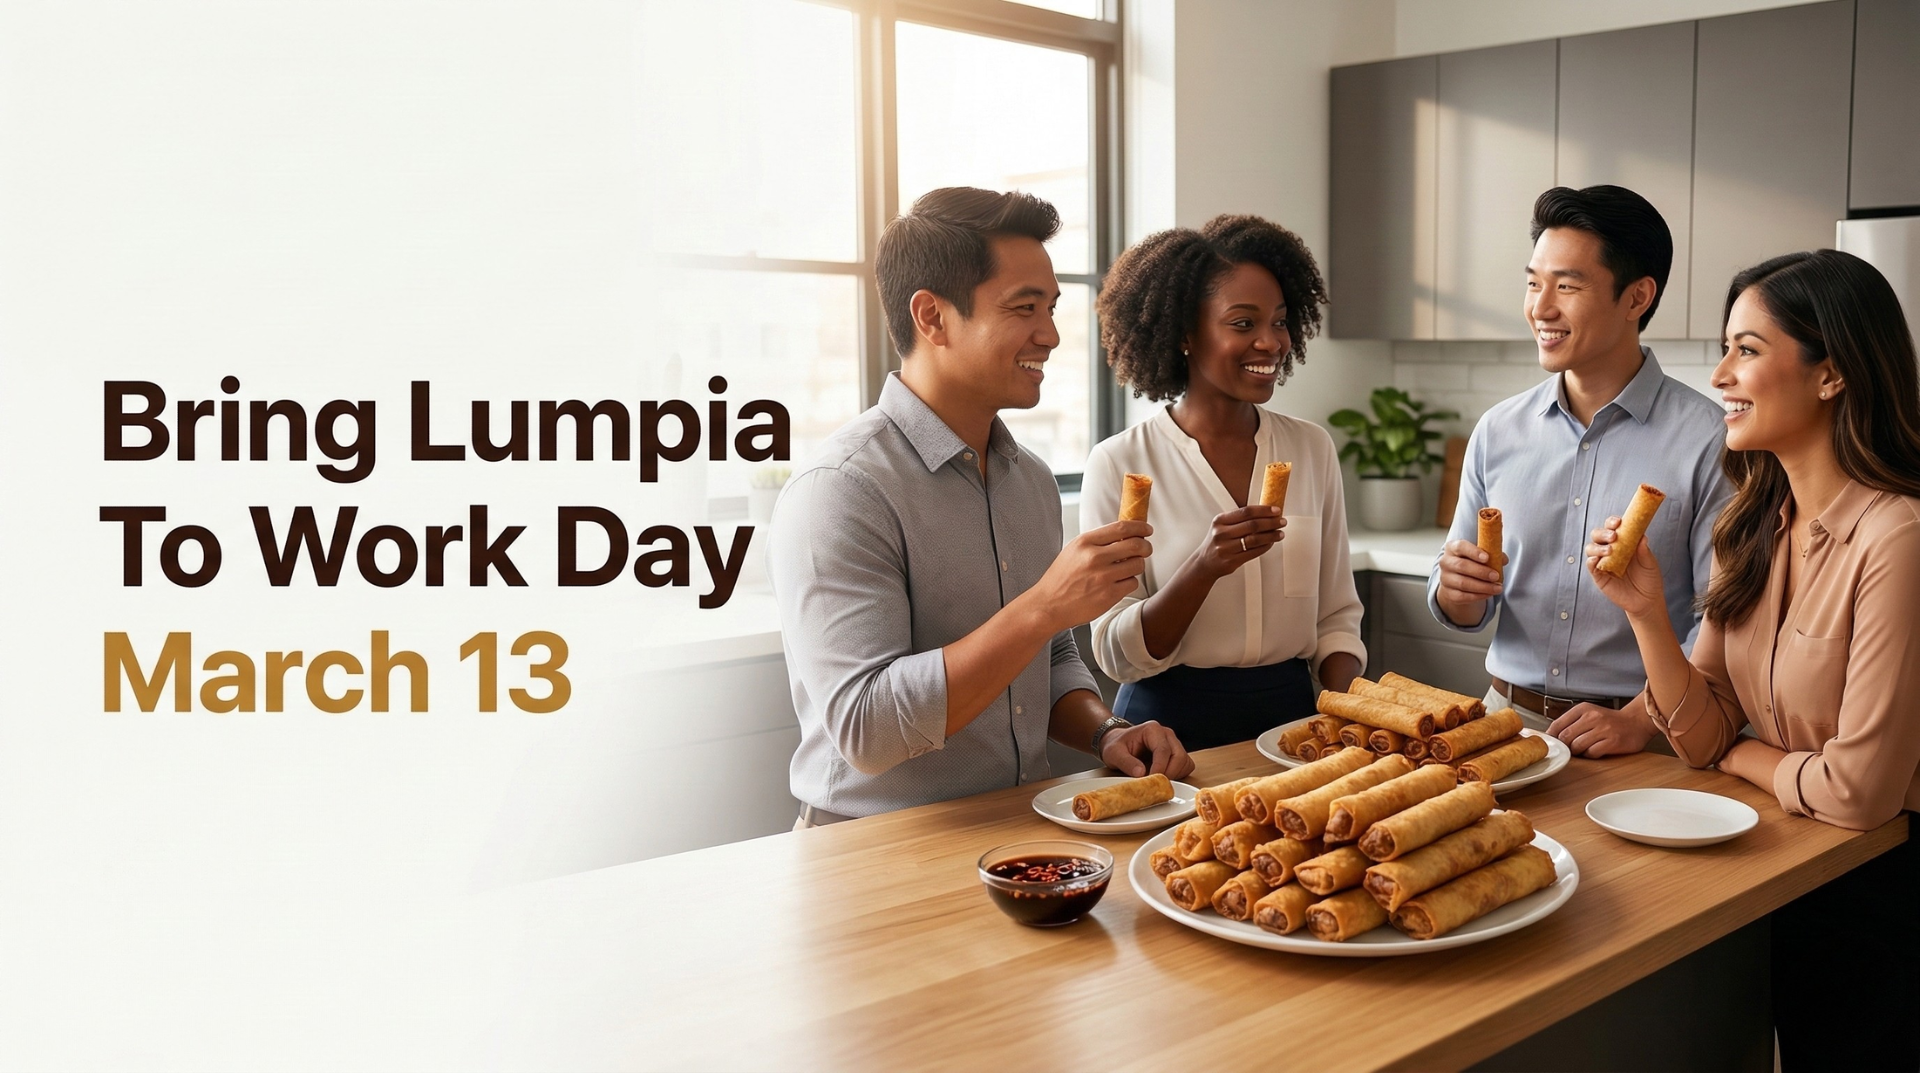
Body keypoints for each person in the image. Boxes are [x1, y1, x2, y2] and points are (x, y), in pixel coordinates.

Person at [1584, 249, 1920, 1070]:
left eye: (1747, 349)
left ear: (1831, 375)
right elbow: (1696, 732)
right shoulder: (1756, 524)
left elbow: (1859, 791)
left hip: (1891, 895)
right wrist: (1645, 618)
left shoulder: (1899, 539)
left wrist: (1738, 752)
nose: (1722, 372)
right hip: (1790, 874)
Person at [771, 187, 1193, 827]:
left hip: (1014, 830)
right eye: (1024, 308)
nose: (1050, 334)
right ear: (932, 317)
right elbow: (867, 728)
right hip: (869, 853)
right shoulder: (841, 489)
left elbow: (1049, 659)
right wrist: (1045, 605)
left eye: (1051, 308)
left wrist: (1106, 731)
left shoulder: (1031, 482)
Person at [1427, 185, 1730, 753]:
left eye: (1566, 286)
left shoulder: (1711, 440)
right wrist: (1456, 592)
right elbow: (1465, 603)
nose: (1541, 308)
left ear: (1637, 296)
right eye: (1533, 283)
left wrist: (1643, 720)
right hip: (1504, 724)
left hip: (1644, 736)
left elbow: (1724, 624)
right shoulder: (1497, 430)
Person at [1079, 216, 1364, 751]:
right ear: (1185, 335)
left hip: (1293, 724)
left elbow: (1335, 617)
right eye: (1242, 323)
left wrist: (1363, 712)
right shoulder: (1120, 463)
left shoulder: (1310, 449)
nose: (1270, 342)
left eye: (1279, 322)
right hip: (1166, 732)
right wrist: (1203, 568)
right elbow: (1115, 653)